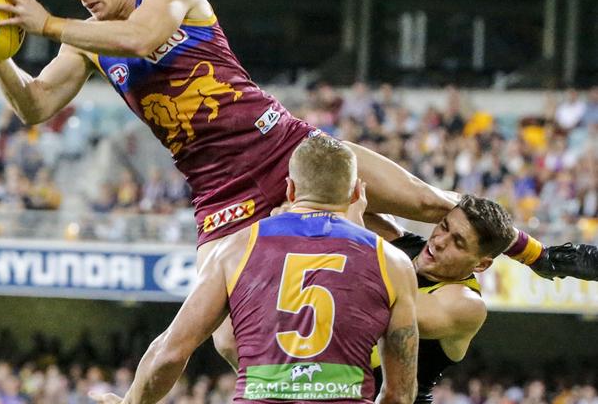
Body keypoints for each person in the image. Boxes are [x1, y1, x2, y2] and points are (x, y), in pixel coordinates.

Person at [0, 0, 453, 358]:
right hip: (221, 194)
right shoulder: (87, 42)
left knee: (428, 204)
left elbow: (141, 39)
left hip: (283, 149)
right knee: (229, 340)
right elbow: (35, 105)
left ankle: (527, 253)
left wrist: (46, 24)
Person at [90, 136, 419, 404]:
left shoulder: (235, 248)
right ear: (358, 193)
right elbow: (399, 394)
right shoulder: (392, 262)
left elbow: (170, 351)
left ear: (290, 190)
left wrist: (131, 401)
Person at [363, 197, 598, 403]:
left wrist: (345, 227)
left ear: (481, 264)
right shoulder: (404, 244)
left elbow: (384, 308)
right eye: (443, 226)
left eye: (458, 242)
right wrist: (433, 202)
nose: (439, 241)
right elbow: (344, 172)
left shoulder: (466, 304)